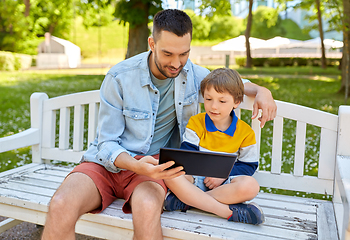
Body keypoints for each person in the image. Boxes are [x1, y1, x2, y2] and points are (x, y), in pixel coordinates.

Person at [41, 9, 276, 240]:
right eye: (168, 54)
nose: (176, 63)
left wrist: (262, 91)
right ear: (152, 44)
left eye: (184, 54)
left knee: (146, 211)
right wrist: (135, 165)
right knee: (61, 205)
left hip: (153, 171)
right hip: (105, 166)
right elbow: (106, 144)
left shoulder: (193, 74)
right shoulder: (120, 77)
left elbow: (232, 84)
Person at [163, 68, 264, 225]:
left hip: (224, 185)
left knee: (251, 186)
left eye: (222, 101)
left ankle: (189, 201)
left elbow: (248, 165)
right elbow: (188, 155)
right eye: (209, 99)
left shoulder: (245, 132)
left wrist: (222, 174)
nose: (214, 107)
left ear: (236, 102)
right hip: (194, 179)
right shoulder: (196, 123)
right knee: (169, 173)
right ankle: (226, 211)